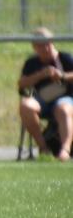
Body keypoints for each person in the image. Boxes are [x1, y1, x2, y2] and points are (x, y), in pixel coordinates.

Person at [18, 27, 73, 162]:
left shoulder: (64, 58)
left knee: (63, 109)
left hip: (64, 98)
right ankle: (44, 148)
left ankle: (65, 150)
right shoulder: (32, 63)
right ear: (34, 47)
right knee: (26, 106)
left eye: (48, 44)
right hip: (43, 99)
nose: (46, 48)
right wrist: (40, 75)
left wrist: (62, 76)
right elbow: (22, 84)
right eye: (41, 46)